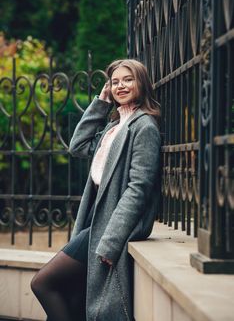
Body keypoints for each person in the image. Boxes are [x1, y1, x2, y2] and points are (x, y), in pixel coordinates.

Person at [31, 58, 161, 321]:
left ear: (142, 83)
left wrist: (111, 242)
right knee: (74, 298)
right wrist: (100, 103)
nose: (120, 86)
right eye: (114, 82)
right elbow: (77, 146)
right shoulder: (115, 127)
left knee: (43, 283)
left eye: (128, 79)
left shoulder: (144, 127)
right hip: (95, 222)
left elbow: (138, 189)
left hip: (108, 228)